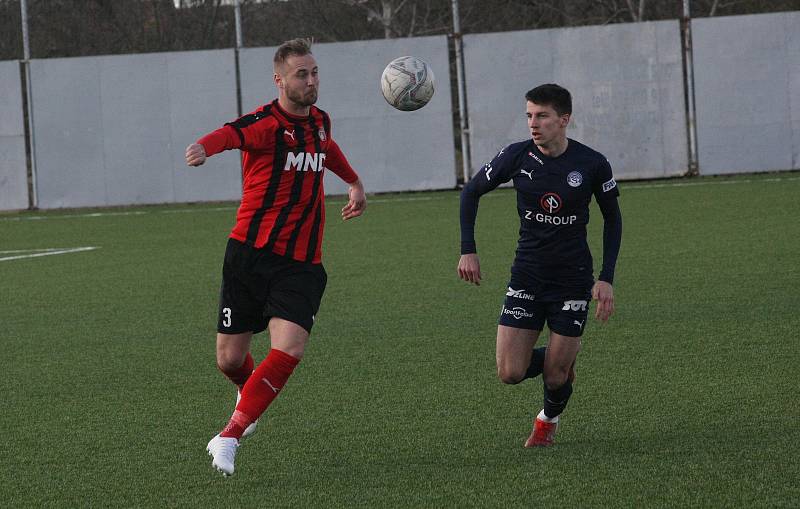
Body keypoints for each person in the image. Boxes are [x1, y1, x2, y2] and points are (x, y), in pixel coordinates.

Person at [185, 38, 366, 475]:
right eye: (301, 74)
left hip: (301, 263)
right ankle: (248, 398)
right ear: (279, 80)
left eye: (314, 71)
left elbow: (327, 149)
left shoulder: (320, 122)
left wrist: (354, 181)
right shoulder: (266, 124)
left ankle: (229, 435)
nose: (311, 80)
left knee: (290, 346)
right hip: (249, 254)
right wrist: (204, 148)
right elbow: (231, 133)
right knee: (229, 360)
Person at [457, 83, 622, 447]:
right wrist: (468, 249)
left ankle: (547, 421)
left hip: (572, 278)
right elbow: (471, 192)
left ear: (564, 120)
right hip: (527, 276)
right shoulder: (516, 157)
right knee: (510, 373)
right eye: (529, 115)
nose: (534, 123)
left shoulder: (592, 163)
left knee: (553, 379)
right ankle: (561, 358)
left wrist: (605, 278)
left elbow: (613, 220)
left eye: (542, 116)